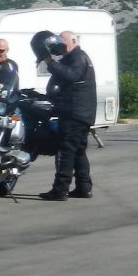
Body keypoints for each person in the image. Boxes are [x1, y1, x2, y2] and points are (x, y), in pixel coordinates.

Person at [35, 29, 95, 201]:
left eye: (63, 42)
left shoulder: (78, 57)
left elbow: (71, 75)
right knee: (78, 151)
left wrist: (50, 62)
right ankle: (84, 188)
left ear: (73, 41)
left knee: (66, 150)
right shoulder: (76, 57)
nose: (59, 45)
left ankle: (60, 189)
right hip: (81, 113)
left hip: (75, 113)